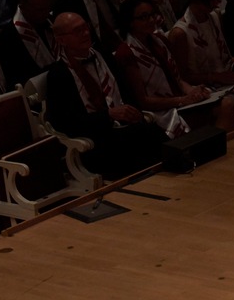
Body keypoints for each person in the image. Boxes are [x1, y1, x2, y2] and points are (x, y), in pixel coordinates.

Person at [47, 12, 165, 180]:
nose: (86, 33)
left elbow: (126, 91)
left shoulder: (103, 55)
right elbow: (66, 123)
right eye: (77, 31)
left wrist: (131, 112)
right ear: (61, 40)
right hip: (97, 142)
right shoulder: (58, 75)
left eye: (85, 27)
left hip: (127, 129)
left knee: (157, 136)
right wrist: (107, 115)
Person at [115, 0, 234, 135]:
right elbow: (143, 101)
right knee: (226, 107)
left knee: (227, 103)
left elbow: (178, 80)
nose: (151, 20)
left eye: (152, 15)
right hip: (162, 111)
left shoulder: (159, 40)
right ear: (130, 22)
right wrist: (182, 100)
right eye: (143, 17)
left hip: (180, 100)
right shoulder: (126, 53)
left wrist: (193, 91)